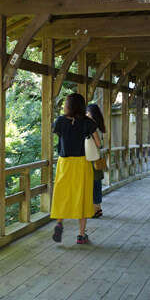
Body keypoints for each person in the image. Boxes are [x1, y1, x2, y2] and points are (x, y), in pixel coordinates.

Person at [51, 93, 101, 244]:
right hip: (82, 163)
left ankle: (60, 223)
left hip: (64, 163)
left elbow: (58, 136)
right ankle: (81, 235)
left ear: (68, 106)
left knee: (62, 193)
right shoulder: (87, 122)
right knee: (83, 195)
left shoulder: (60, 121)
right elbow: (98, 143)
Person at [86, 103, 106, 219]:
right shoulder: (100, 125)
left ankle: (94, 209)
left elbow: (97, 143)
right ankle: (98, 208)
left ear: (92, 113)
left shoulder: (91, 126)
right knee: (97, 183)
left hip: (91, 157)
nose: (85, 114)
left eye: (87, 112)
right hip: (96, 156)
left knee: (93, 183)